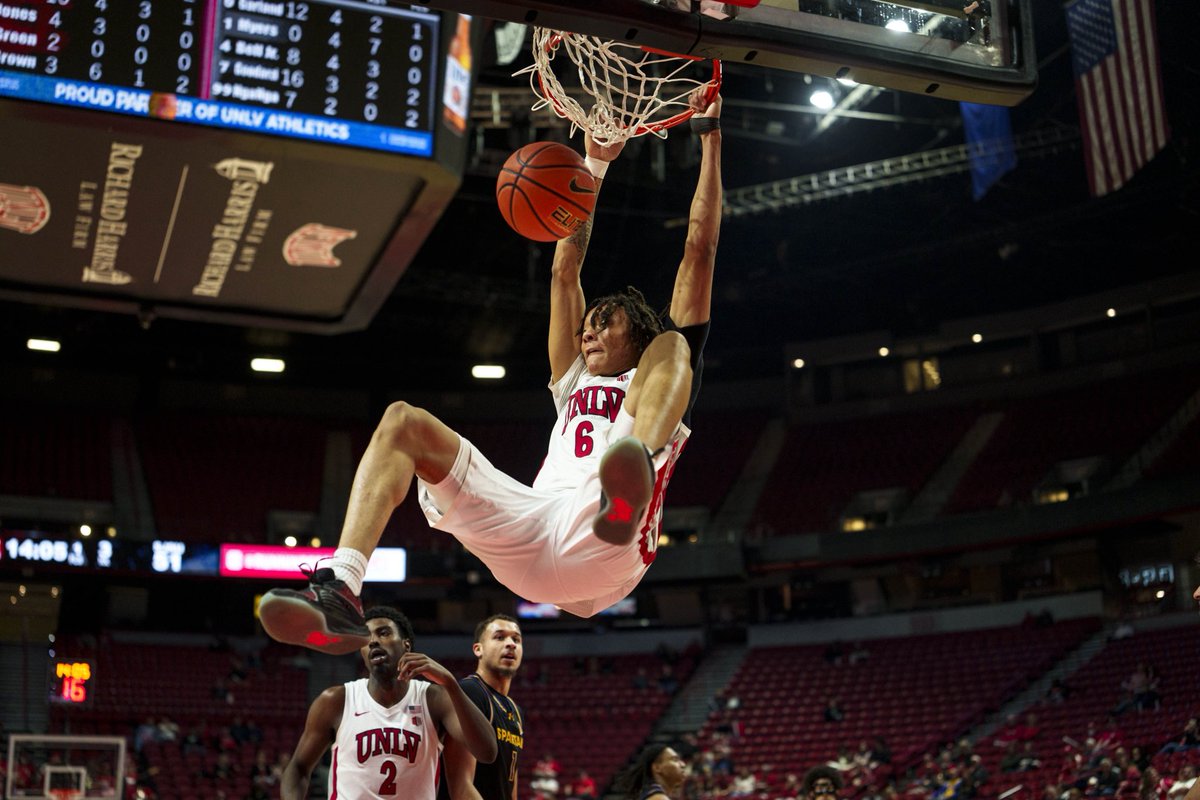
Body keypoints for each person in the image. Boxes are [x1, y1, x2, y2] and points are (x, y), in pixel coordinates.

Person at [258, 88, 725, 654]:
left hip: (604, 550)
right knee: (403, 422)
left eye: (606, 322)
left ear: (638, 333)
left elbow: (699, 248)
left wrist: (709, 138)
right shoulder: (575, 379)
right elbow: (564, 270)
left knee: (677, 347)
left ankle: (626, 488)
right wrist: (594, 164)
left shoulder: (662, 362)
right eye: (588, 325)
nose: (590, 332)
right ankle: (342, 589)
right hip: (531, 530)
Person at [280, 606, 498, 800]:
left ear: (406, 645)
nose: (373, 641)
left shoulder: (434, 699)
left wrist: (450, 683)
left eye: (383, 633)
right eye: (366, 638)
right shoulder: (336, 700)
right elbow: (297, 769)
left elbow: (487, 752)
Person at [440, 614, 525, 800]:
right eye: (499, 637)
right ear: (478, 649)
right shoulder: (470, 691)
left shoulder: (516, 710)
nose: (511, 643)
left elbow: (510, 786)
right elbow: (461, 787)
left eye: (516, 639)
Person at [612, 743, 689, 800]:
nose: (683, 765)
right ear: (657, 767)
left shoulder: (650, 794)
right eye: (675, 760)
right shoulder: (658, 798)